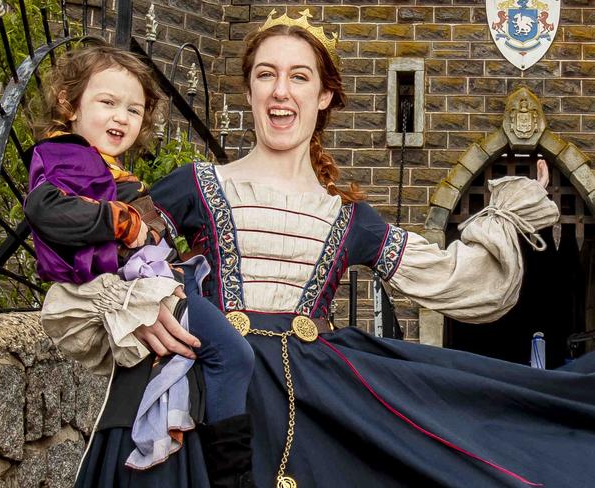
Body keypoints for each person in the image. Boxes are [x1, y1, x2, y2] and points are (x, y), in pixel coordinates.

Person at [77, 12, 595, 488]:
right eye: (266, 74)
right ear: (250, 89)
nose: (281, 91)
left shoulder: (349, 218)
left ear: (324, 95)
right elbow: (102, 254)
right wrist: (142, 305)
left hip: (314, 406)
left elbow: (459, 279)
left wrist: (513, 210)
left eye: (299, 76)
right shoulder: (193, 185)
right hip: (208, 396)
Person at [23, 42, 256, 487]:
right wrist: (117, 220)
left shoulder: (99, 164)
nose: (120, 117)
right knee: (232, 355)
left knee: (195, 367)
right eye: (106, 102)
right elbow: (45, 208)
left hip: (149, 283)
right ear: (68, 104)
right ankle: (234, 477)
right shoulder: (65, 155)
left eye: (133, 109)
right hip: (132, 289)